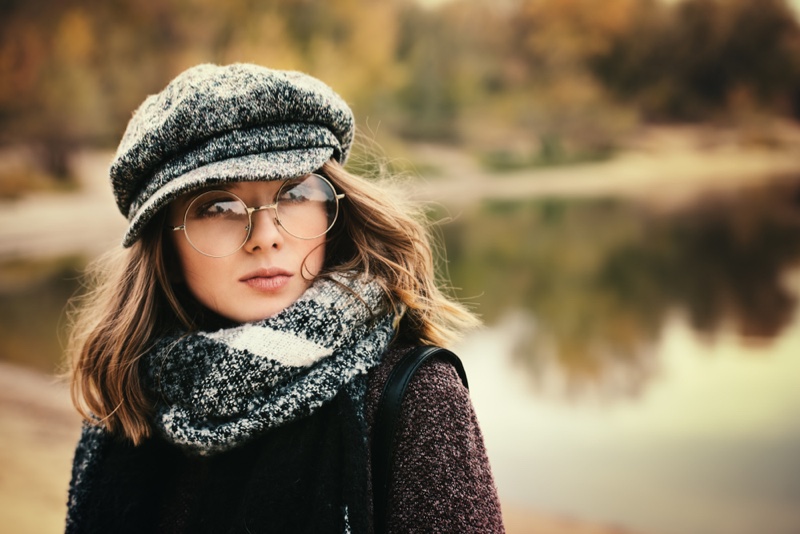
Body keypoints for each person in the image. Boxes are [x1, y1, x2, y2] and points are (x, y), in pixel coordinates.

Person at [64, 63, 504, 533]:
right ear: (165, 247)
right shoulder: (126, 409)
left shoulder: (417, 401)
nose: (265, 236)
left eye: (294, 193)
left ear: (333, 206)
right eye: (219, 206)